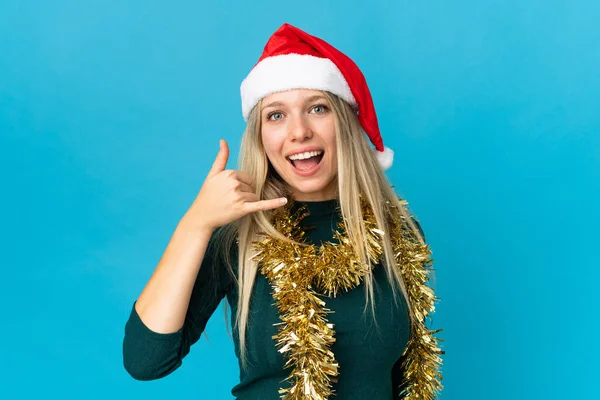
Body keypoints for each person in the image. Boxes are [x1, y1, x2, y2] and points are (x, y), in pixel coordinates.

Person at [122, 23, 443, 399]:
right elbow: (146, 362)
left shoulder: (398, 234)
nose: (299, 132)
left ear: (345, 123)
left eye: (318, 108)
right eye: (276, 115)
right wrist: (196, 224)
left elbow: (404, 377)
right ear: (261, 136)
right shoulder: (237, 237)